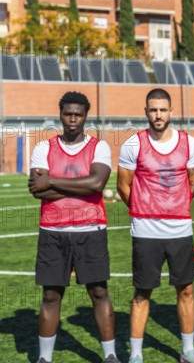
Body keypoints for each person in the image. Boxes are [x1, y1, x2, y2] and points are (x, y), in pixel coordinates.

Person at [117, 89, 194, 363]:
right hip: (146, 230)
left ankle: (188, 351)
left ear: (171, 112)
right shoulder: (134, 144)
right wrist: (144, 208)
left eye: (163, 109)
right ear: (146, 112)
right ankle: (135, 355)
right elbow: (123, 185)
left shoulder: (188, 143)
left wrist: (176, 203)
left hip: (180, 229)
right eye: (153, 110)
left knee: (187, 290)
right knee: (142, 292)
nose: (158, 114)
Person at [28, 91, 119, 363]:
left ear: (85, 116)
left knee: (99, 292)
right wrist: (83, 186)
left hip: (90, 230)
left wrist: (52, 182)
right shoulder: (43, 148)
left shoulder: (99, 147)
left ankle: (110, 355)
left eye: (78, 114)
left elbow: (96, 185)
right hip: (53, 231)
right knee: (51, 294)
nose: (72, 119)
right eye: (67, 114)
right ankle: (45, 358)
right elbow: (38, 191)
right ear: (60, 115)